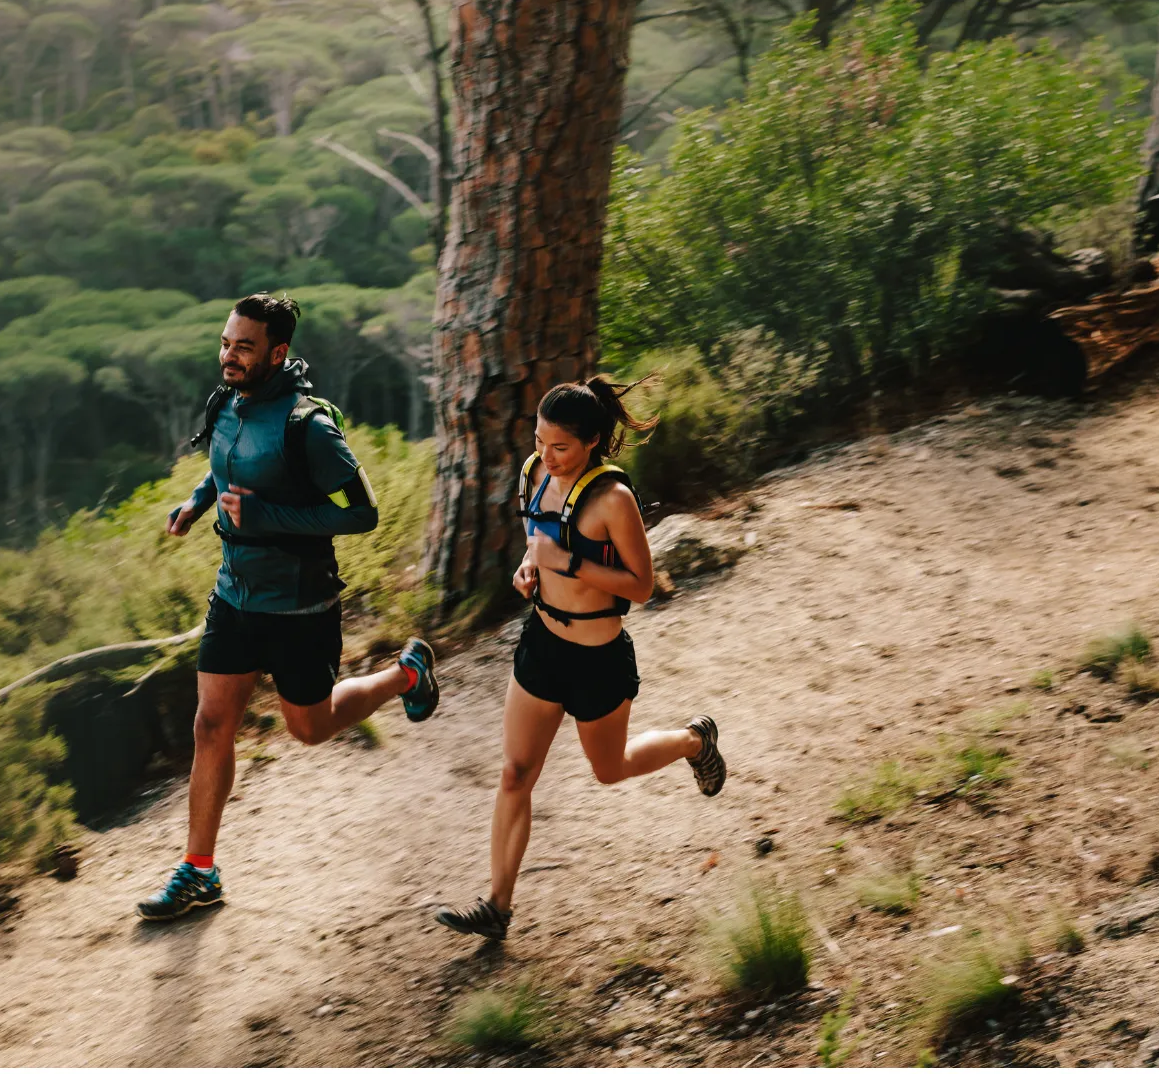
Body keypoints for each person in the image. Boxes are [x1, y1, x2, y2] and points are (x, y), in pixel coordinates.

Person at [136, 292, 440, 921]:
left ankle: (406, 673)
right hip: (234, 597)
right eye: (225, 342)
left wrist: (267, 514)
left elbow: (361, 512)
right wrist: (198, 503)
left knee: (309, 727)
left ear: (278, 352)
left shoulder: (310, 426)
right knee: (210, 725)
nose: (229, 356)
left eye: (244, 347)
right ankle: (198, 870)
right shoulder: (229, 403)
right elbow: (227, 469)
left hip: (301, 607)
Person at [434, 377, 725, 941]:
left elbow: (641, 585)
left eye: (559, 447)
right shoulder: (535, 473)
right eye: (540, 441)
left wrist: (566, 563)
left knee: (609, 769)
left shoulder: (613, 499)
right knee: (516, 773)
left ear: (592, 442)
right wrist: (531, 567)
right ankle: (497, 906)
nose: (546, 455)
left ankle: (696, 740)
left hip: (598, 659)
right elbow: (540, 540)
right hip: (542, 644)